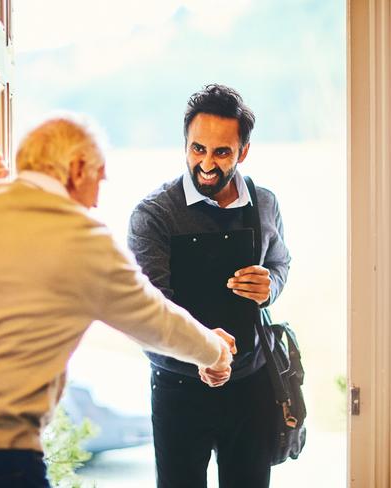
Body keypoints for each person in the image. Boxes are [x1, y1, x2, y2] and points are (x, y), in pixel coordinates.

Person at [0, 115, 237, 487]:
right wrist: (216, 351)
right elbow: (159, 322)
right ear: (78, 168)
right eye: (99, 181)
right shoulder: (85, 240)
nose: (97, 201)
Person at [128, 84, 291, 488]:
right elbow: (148, 312)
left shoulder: (265, 202)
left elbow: (281, 262)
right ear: (185, 144)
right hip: (179, 387)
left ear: (243, 152)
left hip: (251, 386)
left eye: (221, 152)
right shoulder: (153, 216)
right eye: (197, 149)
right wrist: (203, 354)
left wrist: (269, 284)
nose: (206, 163)